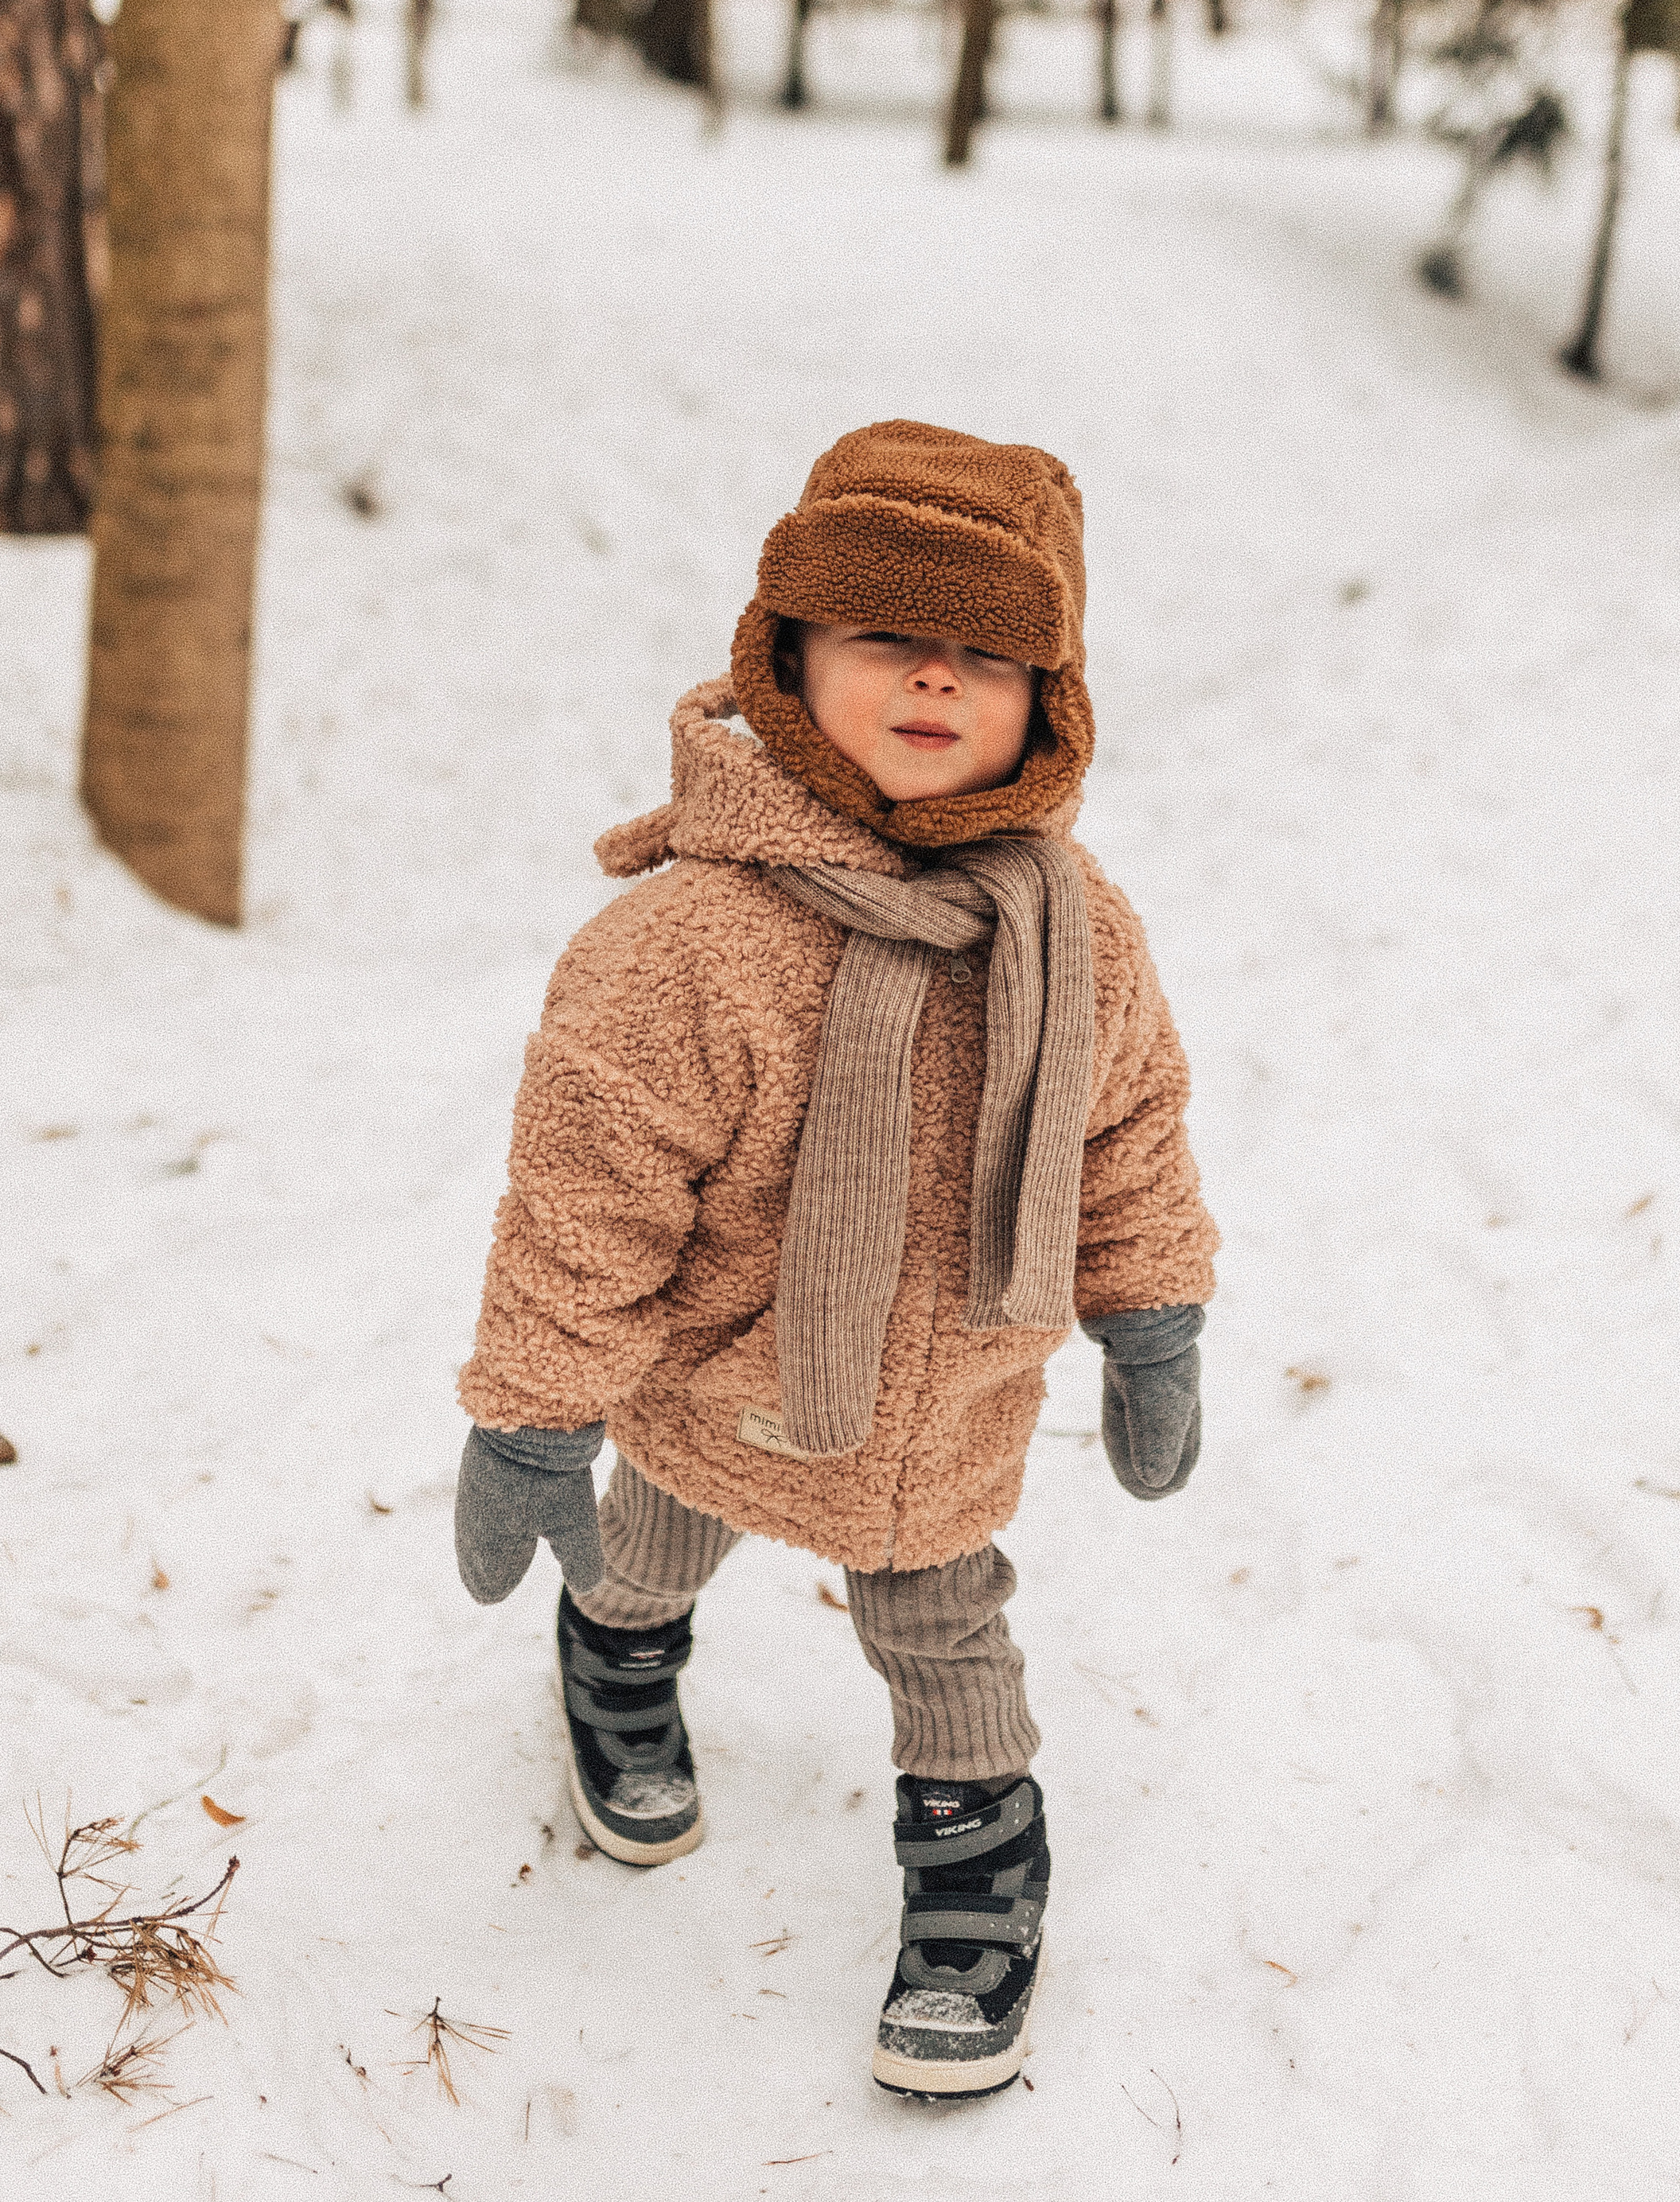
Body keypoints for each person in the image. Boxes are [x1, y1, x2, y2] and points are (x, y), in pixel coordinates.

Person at [455, 420, 1217, 2099]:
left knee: (949, 1639)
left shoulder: (1072, 927)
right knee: (649, 1549)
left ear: (1049, 701)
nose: (937, 681)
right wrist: (530, 1418)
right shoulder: (686, 941)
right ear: (788, 658)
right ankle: (615, 1660)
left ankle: (970, 1864)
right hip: (713, 1373)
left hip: (944, 1402)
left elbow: (1128, 1132)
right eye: (888, 639)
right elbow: (581, 1199)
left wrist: (1150, 1314)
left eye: (988, 657)